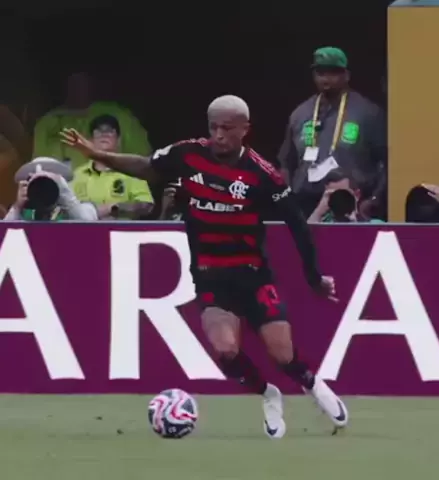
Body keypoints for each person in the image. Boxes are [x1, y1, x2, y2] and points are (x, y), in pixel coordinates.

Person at [61, 94, 348, 438]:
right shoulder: (187, 154)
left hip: (254, 276)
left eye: (227, 128)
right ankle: (268, 394)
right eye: (214, 127)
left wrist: (314, 277)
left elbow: (297, 224)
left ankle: (314, 385)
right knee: (226, 350)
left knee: (284, 357)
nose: (219, 135)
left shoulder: (261, 174)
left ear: (244, 129)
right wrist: (96, 153)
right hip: (211, 276)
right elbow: (146, 166)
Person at [278, 47, 387, 219]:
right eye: (320, 73)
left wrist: (374, 199)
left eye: (333, 72)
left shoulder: (368, 113)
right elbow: (286, 163)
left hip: (349, 203)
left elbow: (386, 163)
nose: (326, 78)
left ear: (346, 75)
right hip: (305, 203)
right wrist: (287, 201)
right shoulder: (300, 113)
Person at [34, 72, 151, 171]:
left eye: (82, 82)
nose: (78, 88)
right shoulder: (48, 122)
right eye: (73, 82)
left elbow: (144, 160)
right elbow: (38, 165)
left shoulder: (118, 115)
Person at [71, 115, 153, 220]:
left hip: (121, 230)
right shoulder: (77, 174)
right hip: (85, 230)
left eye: (110, 131)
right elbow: (65, 208)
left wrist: (115, 208)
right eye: (98, 131)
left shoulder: (131, 171)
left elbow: (147, 205)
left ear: (118, 140)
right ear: (90, 141)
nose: (104, 134)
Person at [4, 157, 97, 221]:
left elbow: (89, 223)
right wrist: (17, 207)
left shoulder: (78, 209)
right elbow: (4, 234)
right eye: (39, 185)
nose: (43, 188)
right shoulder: (26, 214)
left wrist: (65, 193)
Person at [308, 168, 385, 223]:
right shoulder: (321, 224)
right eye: (333, 195)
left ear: (357, 195)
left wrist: (353, 222)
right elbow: (307, 237)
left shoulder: (374, 224)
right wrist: (319, 211)